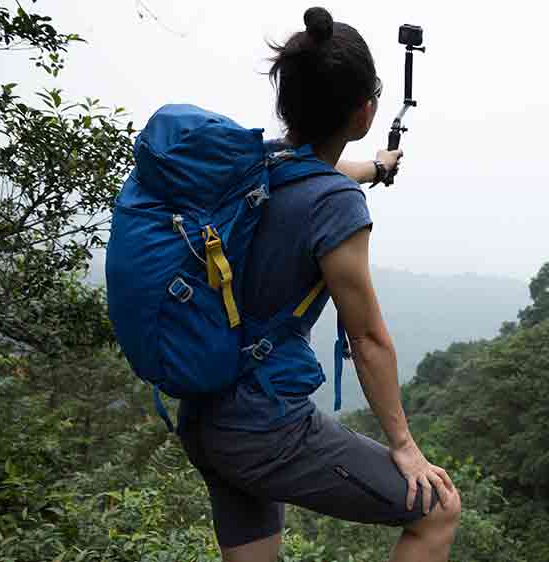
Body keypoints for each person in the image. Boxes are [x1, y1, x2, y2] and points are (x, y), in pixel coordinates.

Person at [176, 7, 461, 562]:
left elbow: (315, 169)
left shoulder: (255, 167)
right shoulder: (335, 205)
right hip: (264, 428)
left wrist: (376, 168)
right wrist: (404, 446)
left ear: (288, 103)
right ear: (366, 110)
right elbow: (368, 340)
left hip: (206, 414)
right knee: (437, 509)